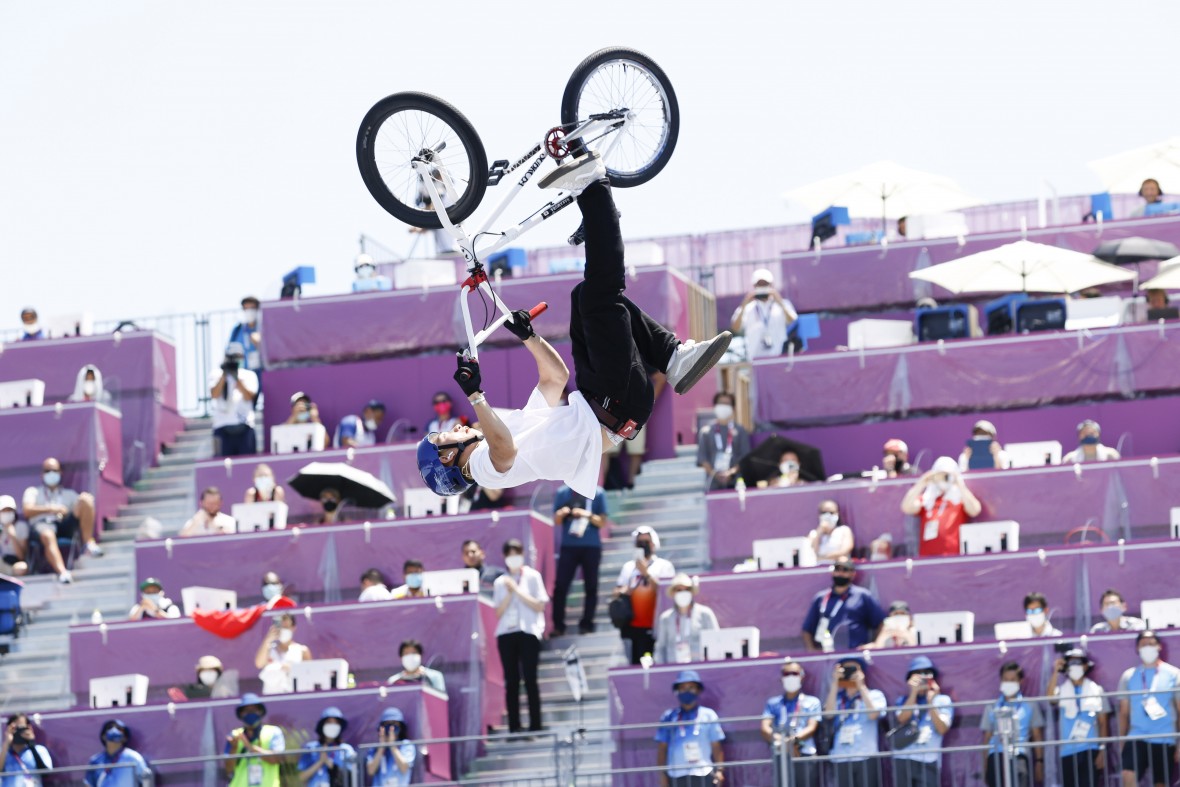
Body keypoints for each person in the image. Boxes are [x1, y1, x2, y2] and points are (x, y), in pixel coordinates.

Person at [415, 161, 731, 501]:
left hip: (603, 401)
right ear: (447, 457)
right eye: (441, 438)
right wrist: (476, 395)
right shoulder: (479, 466)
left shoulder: (520, 430)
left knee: (584, 298)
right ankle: (594, 187)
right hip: (614, 407)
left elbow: (555, 377)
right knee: (600, 296)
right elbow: (503, 453)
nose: (452, 430)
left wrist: (529, 337)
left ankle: (673, 357)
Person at [493, 538, 549, 735]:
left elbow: (539, 605)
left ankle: (536, 723)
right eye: (510, 554)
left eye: (516, 553)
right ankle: (514, 726)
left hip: (529, 631)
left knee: (530, 678)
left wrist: (517, 590)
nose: (513, 558)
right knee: (512, 680)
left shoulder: (532, 576)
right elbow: (497, 612)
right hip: (506, 633)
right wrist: (509, 593)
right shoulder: (500, 582)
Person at [23, 456, 102, 582]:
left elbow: (83, 507)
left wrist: (77, 507)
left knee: (86, 499)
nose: (51, 474)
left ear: (60, 472)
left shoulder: (69, 494)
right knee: (48, 535)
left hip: (64, 525)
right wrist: (52, 509)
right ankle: (63, 572)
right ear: (42, 474)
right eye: (47, 471)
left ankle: (88, 544)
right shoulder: (33, 492)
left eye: (54, 470)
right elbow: (27, 510)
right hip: (43, 526)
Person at [1117, 631, 1180, 787]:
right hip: (1136, 737)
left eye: (1151, 643)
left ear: (1159, 646)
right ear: (1137, 648)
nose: (1148, 647)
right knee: (1127, 774)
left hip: (1165, 738)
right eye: (1143, 644)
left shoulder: (1174, 674)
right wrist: (1121, 740)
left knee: (1161, 782)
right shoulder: (1129, 675)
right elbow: (1123, 712)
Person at [614, 525, 677, 665]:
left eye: (646, 542)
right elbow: (617, 591)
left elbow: (667, 592)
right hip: (634, 628)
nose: (643, 546)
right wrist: (625, 590)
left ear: (653, 544)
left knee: (657, 664)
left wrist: (646, 574)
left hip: (657, 626)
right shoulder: (628, 567)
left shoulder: (663, 566)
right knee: (637, 665)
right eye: (639, 542)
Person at [552, 482, 608, 636]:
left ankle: (587, 623)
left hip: (591, 546)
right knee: (560, 586)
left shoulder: (598, 492)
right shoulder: (563, 493)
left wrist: (586, 514)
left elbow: (602, 522)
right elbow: (556, 521)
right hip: (569, 546)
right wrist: (562, 513)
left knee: (591, 586)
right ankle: (558, 625)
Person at [1048, 647, 1109, 787]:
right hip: (1068, 751)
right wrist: (1056, 672)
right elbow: (1050, 698)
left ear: (1086, 665)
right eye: (1070, 663)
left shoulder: (1096, 690)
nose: (1074, 666)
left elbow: (1103, 722)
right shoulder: (1062, 690)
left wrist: (1102, 750)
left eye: (1078, 662)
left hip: (1090, 749)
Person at [899, 456, 982, 557]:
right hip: (928, 559)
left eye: (946, 475)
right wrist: (922, 482)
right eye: (940, 475)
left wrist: (959, 483)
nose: (943, 479)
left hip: (953, 559)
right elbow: (906, 507)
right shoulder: (927, 499)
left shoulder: (959, 499)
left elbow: (975, 510)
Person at [655, 670, 726, 787]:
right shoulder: (668, 717)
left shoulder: (708, 715)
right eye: (683, 687)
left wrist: (719, 771)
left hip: (703, 773)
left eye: (691, 687)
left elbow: (716, 746)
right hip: (676, 775)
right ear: (677, 691)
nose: (687, 691)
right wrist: (662, 776)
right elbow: (662, 748)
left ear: (698, 690)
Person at [891, 656, 953, 787]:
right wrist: (913, 693)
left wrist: (931, 702)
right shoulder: (903, 700)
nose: (922, 677)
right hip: (903, 758)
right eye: (918, 673)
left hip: (928, 759)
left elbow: (942, 729)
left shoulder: (942, 700)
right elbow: (902, 718)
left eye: (926, 673)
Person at [981, 661, 1045, 787]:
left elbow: (1037, 736)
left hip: (1019, 756)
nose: (1008, 683)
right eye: (1005, 680)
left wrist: (1039, 762)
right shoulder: (992, 707)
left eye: (1012, 680)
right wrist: (985, 766)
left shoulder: (1030, 705)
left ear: (1020, 681)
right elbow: (987, 739)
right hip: (996, 757)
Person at [825, 656, 886, 787]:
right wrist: (835, 683)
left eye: (854, 669)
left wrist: (861, 686)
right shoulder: (837, 696)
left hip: (866, 755)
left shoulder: (875, 694)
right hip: (840, 756)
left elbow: (873, 714)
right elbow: (829, 714)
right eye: (846, 669)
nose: (850, 672)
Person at [801, 559, 886, 652]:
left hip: (856, 653)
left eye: (845, 570)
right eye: (837, 569)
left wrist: (876, 644)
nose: (840, 573)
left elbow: (881, 622)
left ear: (853, 574)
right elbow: (807, 629)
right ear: (832, 572)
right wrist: (812, 651)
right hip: (828, 653)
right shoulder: (820, 598)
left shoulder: (863, 595)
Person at [761, 659, 822, 787]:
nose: (790, 677)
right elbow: (765, 728)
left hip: (804, 751)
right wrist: (782, 741)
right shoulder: (773, 703)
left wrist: (792, 741)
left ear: (802, 676)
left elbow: (812, 727)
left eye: (794, 673)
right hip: (781, 753)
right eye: (786, 674)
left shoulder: (812, 701)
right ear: (781, 678)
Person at [730, 267, 798, 360]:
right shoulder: (748, 307)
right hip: (755, 358)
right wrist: (744, 303)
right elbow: (735, 328)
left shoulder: (782, 304)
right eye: (760, 284)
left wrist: (780, 301)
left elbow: (792, 321)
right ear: (754, 286)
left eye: (765, 284)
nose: (762, 287)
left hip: (779, 356)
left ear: (771, 285)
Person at [654, 573, 719, 664]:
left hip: (700, 669)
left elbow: (716, 642)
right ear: (673, 593)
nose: (683, 593)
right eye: (679, 590)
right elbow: (660, 648)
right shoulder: (665, 618)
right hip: (673, 670)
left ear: (691, 592)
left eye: (687, 589)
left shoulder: (705, 614)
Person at [223, 693, 285, 787]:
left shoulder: (273, 732)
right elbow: (228, 769)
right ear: (241, 714)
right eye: (246, 711)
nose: (250, 713)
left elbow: (276, 759)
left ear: (260, 712)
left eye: (253, 710)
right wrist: (234, 748)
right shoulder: (234, 735)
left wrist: (251, 748)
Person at [210, 342, 259, 457]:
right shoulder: (216, 374)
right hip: (221, 426)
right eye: (232, 357)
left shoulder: (249, 375)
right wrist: (224, 375)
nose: (235, 360)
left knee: (247, 466)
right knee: (221, 467)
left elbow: (249, 397)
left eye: (238, 356)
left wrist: (236, 378)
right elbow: (214, 394)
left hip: (245, 426)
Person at [696, 392, 751, 491]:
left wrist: (731, 472)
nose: (724, 407)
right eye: (721, 403)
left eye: (727, 404)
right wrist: (716, 475)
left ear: (733, 408)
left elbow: (745, 457)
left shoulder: (740, 430)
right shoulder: (706, 431)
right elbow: (702, 459)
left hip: (736, 482)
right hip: (713, 483)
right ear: (715, 406)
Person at [296, 707, 356, 787]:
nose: (332, 726)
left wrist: (329, 763)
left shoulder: (346, 749)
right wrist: (320, 761)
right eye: (329, 722)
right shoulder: (311, 748)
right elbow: (301, 777)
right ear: (322, 725)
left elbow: (352, 776)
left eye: (336, 723)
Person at [255, 612, 313, 694]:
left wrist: (291, 669)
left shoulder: (302, 650)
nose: (283, 630)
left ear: (293, 628)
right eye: (280, 627)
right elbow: (259, 664)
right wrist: (267, 640)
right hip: (271, 697)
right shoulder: (269, 649)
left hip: (294, 697)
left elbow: (309, 675)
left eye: (286, 627)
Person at [85, 719, 150, 787]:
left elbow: (146, 781)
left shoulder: (134, 758)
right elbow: (89, 784)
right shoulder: (95, 760)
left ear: (125, 737)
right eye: (109, 728)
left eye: (119, 729)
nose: (114, 730)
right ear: (103, 736)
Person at [365, 708, 416, 786]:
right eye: (387, 725)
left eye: (394, 725)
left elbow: (404, 767)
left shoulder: (406, 745)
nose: (391, 729)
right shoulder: (374, 749)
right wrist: (381, 747)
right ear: (381, 728)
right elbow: (371, 771)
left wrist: (393, 747)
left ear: (400, 727)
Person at [2, 713, 52, 787]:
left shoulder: (40, 750)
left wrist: (31, 745)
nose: (19, 732)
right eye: (15, 729)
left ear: (29, 728)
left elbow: (46, 773)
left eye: (22, 728)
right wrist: (7, 742)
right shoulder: (3, 753)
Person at [227, 296, 264, 376]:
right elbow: (229, 351)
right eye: (246, 309)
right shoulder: (237, 330)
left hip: (263, 373)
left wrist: (259, 343)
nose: (249, 311)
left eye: (252, 308)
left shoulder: (264, 328)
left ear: (257, 309)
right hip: (243, 375)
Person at [0, 496, 29, 578]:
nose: (6, 513)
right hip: (2, 563)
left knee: (22, 567)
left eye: (9, 510)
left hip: (15, 564)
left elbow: (21, 556)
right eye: (3, 511)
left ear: (14, 511)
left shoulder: (21, 526)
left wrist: (12, 535)